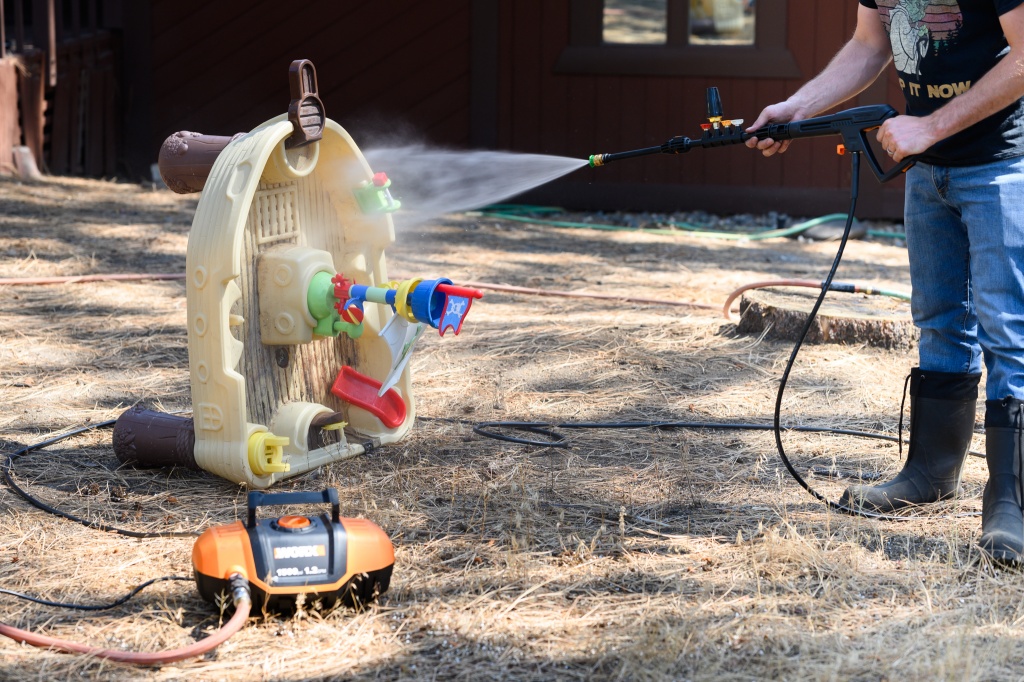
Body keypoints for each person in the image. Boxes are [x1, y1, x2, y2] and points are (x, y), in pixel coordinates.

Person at [745, 1, 1024, 561]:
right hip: (925, 172)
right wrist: (797, 109)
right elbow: (870, 44)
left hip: (1001, 165)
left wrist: (932, 125)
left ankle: (1010, 502)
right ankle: (929, 475)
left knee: (1006, 328)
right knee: (940, 322)